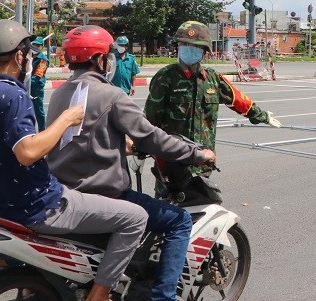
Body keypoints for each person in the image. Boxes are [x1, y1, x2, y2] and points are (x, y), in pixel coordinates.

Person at [0, 19, 149, 301]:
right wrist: (67, 119)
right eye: (27, 53)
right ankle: (99, 294)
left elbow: (9, 151)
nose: (29, 59)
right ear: (18, 56)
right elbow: (27, 152)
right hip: (41, 205)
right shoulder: (14, 94)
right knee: (136, 217)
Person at [46, 25, 217, 301]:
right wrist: (198, 154)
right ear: (102, 60)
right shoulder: (112, 95)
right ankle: (164, 297)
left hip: (65, 191)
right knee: (180, 221)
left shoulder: (60, 93)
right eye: (110, 54)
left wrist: (118, 144)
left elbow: (80, 136)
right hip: (104, 193)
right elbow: (152, 137)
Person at [145, 20, 281, 176]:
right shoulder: (165, 78)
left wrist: (262, 116)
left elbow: (237, 99)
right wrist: (140, 149)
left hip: (203, 162)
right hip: (172, 163)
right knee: (167, 200)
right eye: (185, 46)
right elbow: (150, 119)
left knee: (205, 198)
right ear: (177, 48)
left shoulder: (213, 79)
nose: (190, 50)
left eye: (196, 47)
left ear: (204, 51)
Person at [30, 36, 50, 130]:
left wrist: (26, 82)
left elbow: (38, 75)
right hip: (26, 86)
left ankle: (42, 131)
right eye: (34, 44)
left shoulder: (43, 59)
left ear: (41, 47)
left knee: (38, 111)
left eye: (38, 45)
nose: (36, 47)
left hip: (36, 87)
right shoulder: (28, 56)